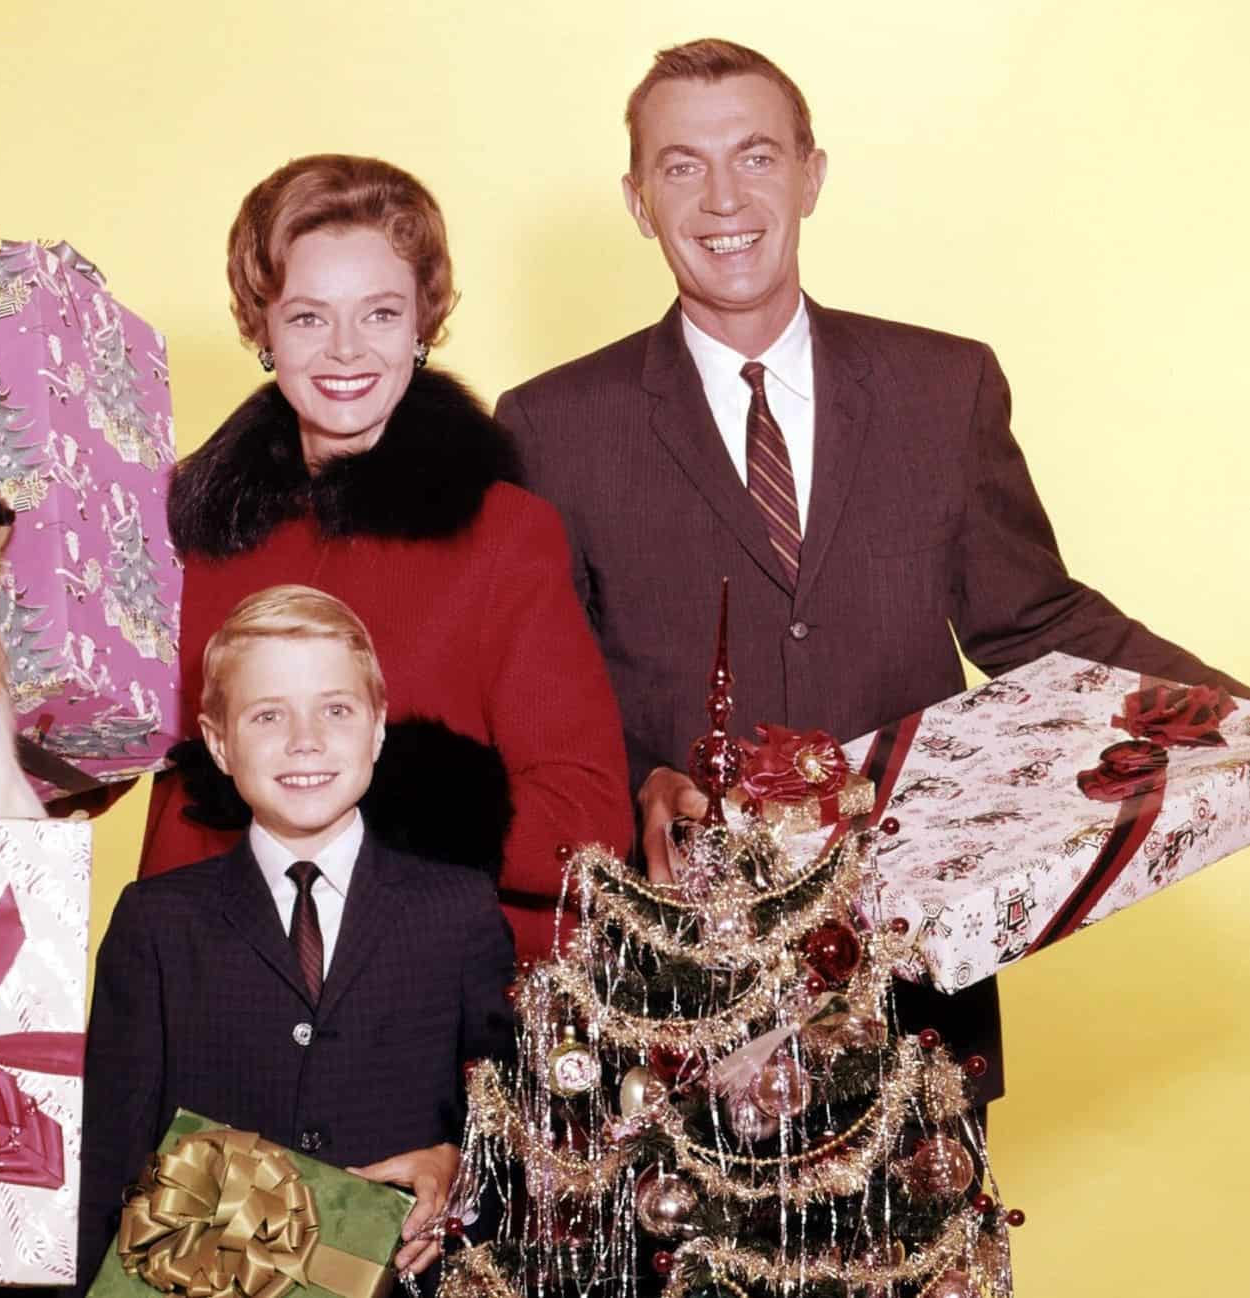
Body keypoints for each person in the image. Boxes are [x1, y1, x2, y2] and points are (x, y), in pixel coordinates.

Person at [493, 38, 1246, 1104]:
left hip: (913, 974)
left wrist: (1238, 711)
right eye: (681, 166)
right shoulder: (552, 423)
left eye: (756, 156)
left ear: (812, 173)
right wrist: (632, 781)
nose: (722, 199)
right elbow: (537, 691)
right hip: (677, 981)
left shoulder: (944, 386)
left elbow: (1034, 619)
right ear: (637, 198)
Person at [142, 153, 633, 961]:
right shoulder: (178, 532)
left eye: (378, 314)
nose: (344, 350)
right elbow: (98, 762)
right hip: (210, 978)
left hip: (425, 997)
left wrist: (376, 786)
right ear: (261, 328)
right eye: (307, 317)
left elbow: (585, 825)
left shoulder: (506, 534)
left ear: (421, 326)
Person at [78, 585, 515, 1293]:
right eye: (267, 715)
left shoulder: (456, 912)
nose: (304, 740)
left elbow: (515, 1120)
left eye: (335, 710)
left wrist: (458, 1170)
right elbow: (107, 1159)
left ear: (377, 727)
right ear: (219, 743)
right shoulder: (157, 923)